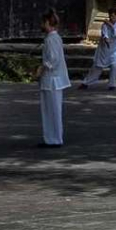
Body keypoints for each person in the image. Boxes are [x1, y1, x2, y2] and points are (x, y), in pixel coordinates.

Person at [35, 11, 70, 148]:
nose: (42, 25)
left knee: (52, 110)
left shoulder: (51, 39)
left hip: (52, 80)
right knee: (52, 110)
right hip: (53, 80)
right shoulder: (54, 38)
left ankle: (54, 138)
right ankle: (52, 137)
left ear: (48, 23)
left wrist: (41, 69)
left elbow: (53, 60)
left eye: (43, 22)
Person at [79, 6, 116, 90]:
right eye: (111, 16)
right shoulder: (104, 25)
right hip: (104, 49)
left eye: (114, 16)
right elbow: (105, 35)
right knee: (97, 67)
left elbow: (115, 33)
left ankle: (112, 85)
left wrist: (109, 24)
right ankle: (86, 83)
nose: (112, 18)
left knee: (114, 65)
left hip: (115, 49)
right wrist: (106, 39)